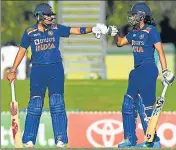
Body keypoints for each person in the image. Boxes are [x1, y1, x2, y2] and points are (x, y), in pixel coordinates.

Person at [7, 3, 117, 148]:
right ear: (39, 16)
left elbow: (76, 30)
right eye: (47, 15)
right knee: (35, 104)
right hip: (38, 71)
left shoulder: (56, 28)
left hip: (56, 70)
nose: (50, 18)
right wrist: (13, 70)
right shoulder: (29, 32)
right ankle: (28, 139)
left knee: (57, 103)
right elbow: (21, 51)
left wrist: (93, 28)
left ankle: (61, 138)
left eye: (51, 15)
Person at [110, 2, 175, 148]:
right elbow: (120, 42)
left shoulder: (150, 31)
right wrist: (114, 33)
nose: (131, 17)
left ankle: (153, 141)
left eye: (134, 14)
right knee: (127, 104)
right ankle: (129, 139)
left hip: (148, 69)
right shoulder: (133, 32)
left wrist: (165, 71)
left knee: (147, 108)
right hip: (136, 72)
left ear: (142, 16)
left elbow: (160, 51)